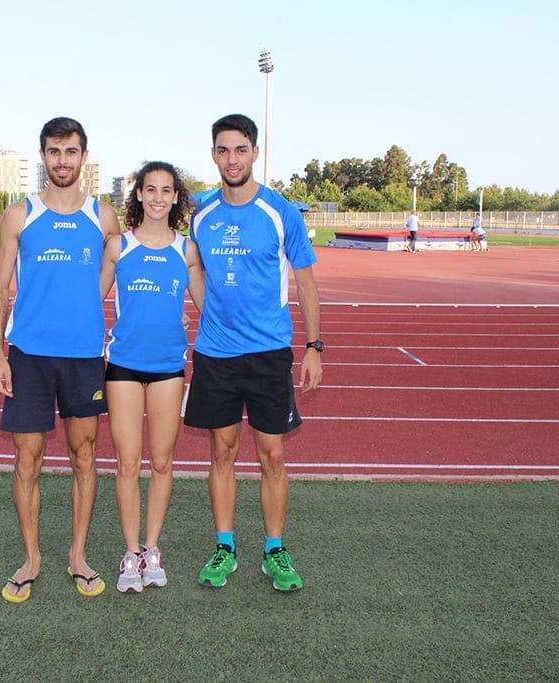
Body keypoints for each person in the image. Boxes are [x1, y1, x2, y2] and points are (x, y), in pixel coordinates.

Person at [185, 114, 323, 592]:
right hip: (216, 354)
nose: (232, 159)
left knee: (272, 455)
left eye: (240, 150)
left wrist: (313, 347)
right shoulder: (201, 212)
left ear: (255, 153)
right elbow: (194, 268)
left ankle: (274, 550)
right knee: (221, 451)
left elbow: (305, 282)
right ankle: (224, 547)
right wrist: (205, 312)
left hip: (268, 353)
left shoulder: (280, 212)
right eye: (223, 150)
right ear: (213, 154)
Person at [0, 116, 121, 604]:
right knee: (27, 459)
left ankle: (78, 556)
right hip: (28, 357)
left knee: (85, 456)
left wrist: (86, 309)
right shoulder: (19, 215)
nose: (62, 160)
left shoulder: (104, 217)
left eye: (70, 151)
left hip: (83, 357)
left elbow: (114, 273)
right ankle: (31, 559)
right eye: (53, 151)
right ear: (43, 156)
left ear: (84, 156)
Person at [99, 161, 205, 593]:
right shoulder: (118, 246)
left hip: (167, 368)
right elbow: (89, 299)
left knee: (161, 462)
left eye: (166, 190)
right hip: (124, 366)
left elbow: (210, 307)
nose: (158, 197)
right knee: (127, 463)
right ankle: (130, 554)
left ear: (176, 197)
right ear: (139, 194)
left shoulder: (187, 251)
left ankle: (152, 549)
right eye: (150, 189)